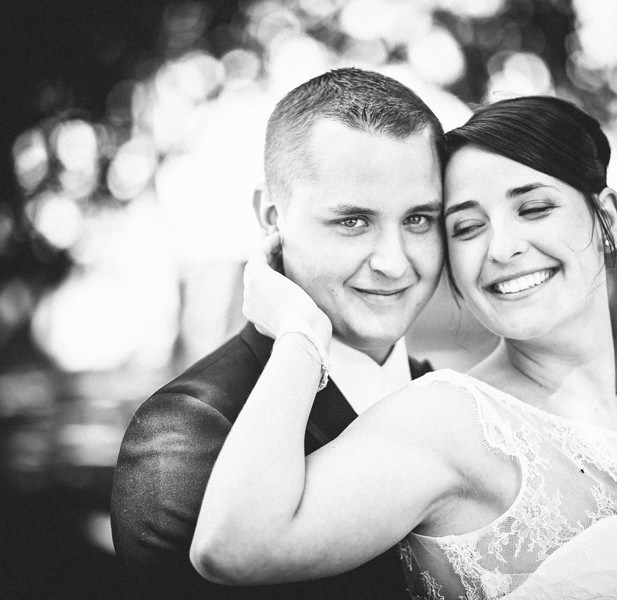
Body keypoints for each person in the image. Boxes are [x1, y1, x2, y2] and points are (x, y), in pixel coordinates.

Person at [190, 96, 617, 599]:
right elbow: (232, 545)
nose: (502, 248)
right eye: (467, 227)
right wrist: (301, 333)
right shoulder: (449, 419)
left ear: (609, 219)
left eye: (534, 208)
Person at [110, 67, 445, 600]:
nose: (394, 262)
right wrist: (302, 339)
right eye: (353, 221)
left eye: (419, 219)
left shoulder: (454, 398)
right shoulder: (187, 434)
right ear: (272, 216)